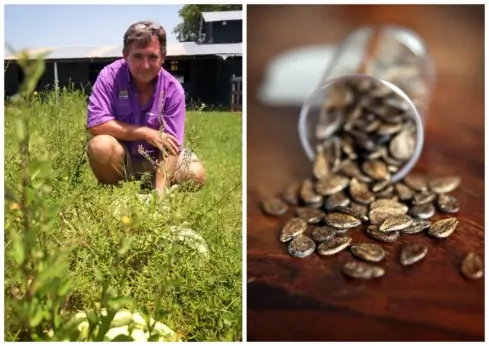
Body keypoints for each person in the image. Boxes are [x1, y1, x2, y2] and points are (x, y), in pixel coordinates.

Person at [86, 20, 206, 198]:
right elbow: (96, 124)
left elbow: (171, 147)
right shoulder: (109, 77)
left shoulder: (173, 90)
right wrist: (146, 133)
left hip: (156, 160)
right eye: (137, 56)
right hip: (123, 158)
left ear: (163, 57)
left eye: (152, 57)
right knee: (100, 146)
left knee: (196, 174)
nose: (145, 65)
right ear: (125, 55)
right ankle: (117, 195)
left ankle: (159, 194)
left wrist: (159, 195)